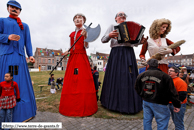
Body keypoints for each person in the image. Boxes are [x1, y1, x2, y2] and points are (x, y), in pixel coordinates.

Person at [100, 11, 148, 113]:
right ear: (116, 18)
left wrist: (141, 42)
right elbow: (103, 40)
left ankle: (130, 104)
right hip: (116, 52)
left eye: (124, 15)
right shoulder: (113, 25)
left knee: (129, 76)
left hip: (128, 53)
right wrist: (109, 35)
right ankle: (111, 103)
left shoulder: (129, 26)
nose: (122, 16)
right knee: (115, 75)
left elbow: (134, 42)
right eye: (120, 15)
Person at [0, 0, 36, 122]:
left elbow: (28, 42)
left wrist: (30, 55)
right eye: (12, 7)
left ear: (20, 11)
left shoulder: (25, 26)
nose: (15, 9)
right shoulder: (2, 21)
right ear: (8, 8)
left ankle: (25, 113)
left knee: (21, 83)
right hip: (7, 56)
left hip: (20, 57)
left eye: (17, 8)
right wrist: (7, 37)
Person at [59, 13, 98, 117]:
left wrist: (85, 37)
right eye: (75, 18)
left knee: (81, 79)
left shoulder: (85, 32)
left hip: (81, 56)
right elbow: (71, 46)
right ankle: (70, 104)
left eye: (80, 18)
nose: (77, 19)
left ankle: (82, 104)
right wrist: (67, 51)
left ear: (83, 21)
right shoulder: (72, 34)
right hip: (73, 57)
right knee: (72, 78)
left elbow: (86, 46)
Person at [135, 59, 181, 130]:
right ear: (157, 65)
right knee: (162, 122)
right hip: (160, 102)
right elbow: (172, 92)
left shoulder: (141, 75)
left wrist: (143, 95)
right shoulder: (165, 76)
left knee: (147, 120)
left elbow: (137, 88)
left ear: (148, 65)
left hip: (146, 101)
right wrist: (177, 104)